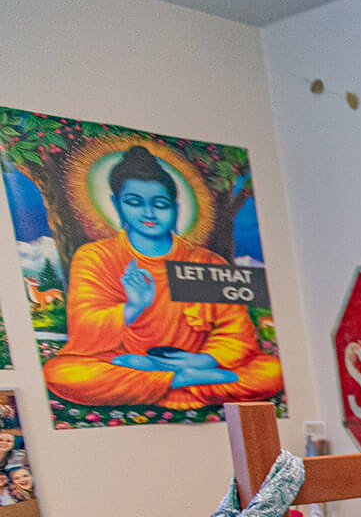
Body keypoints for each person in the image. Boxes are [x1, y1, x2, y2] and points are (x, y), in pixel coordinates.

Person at [44, 146, 285, 411]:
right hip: (129, 360)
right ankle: (184, 382)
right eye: (135, 202)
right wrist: (133, 308)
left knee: (271, 370)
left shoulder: (205, 262)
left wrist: (201, 362)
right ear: (116, 204)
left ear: (175, 207)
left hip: (194, 362)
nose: (149, 213)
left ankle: (169, 380)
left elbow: (235, 332)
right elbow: (85, 331)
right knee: (62, 373)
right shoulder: (95, 257)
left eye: (159, 204)